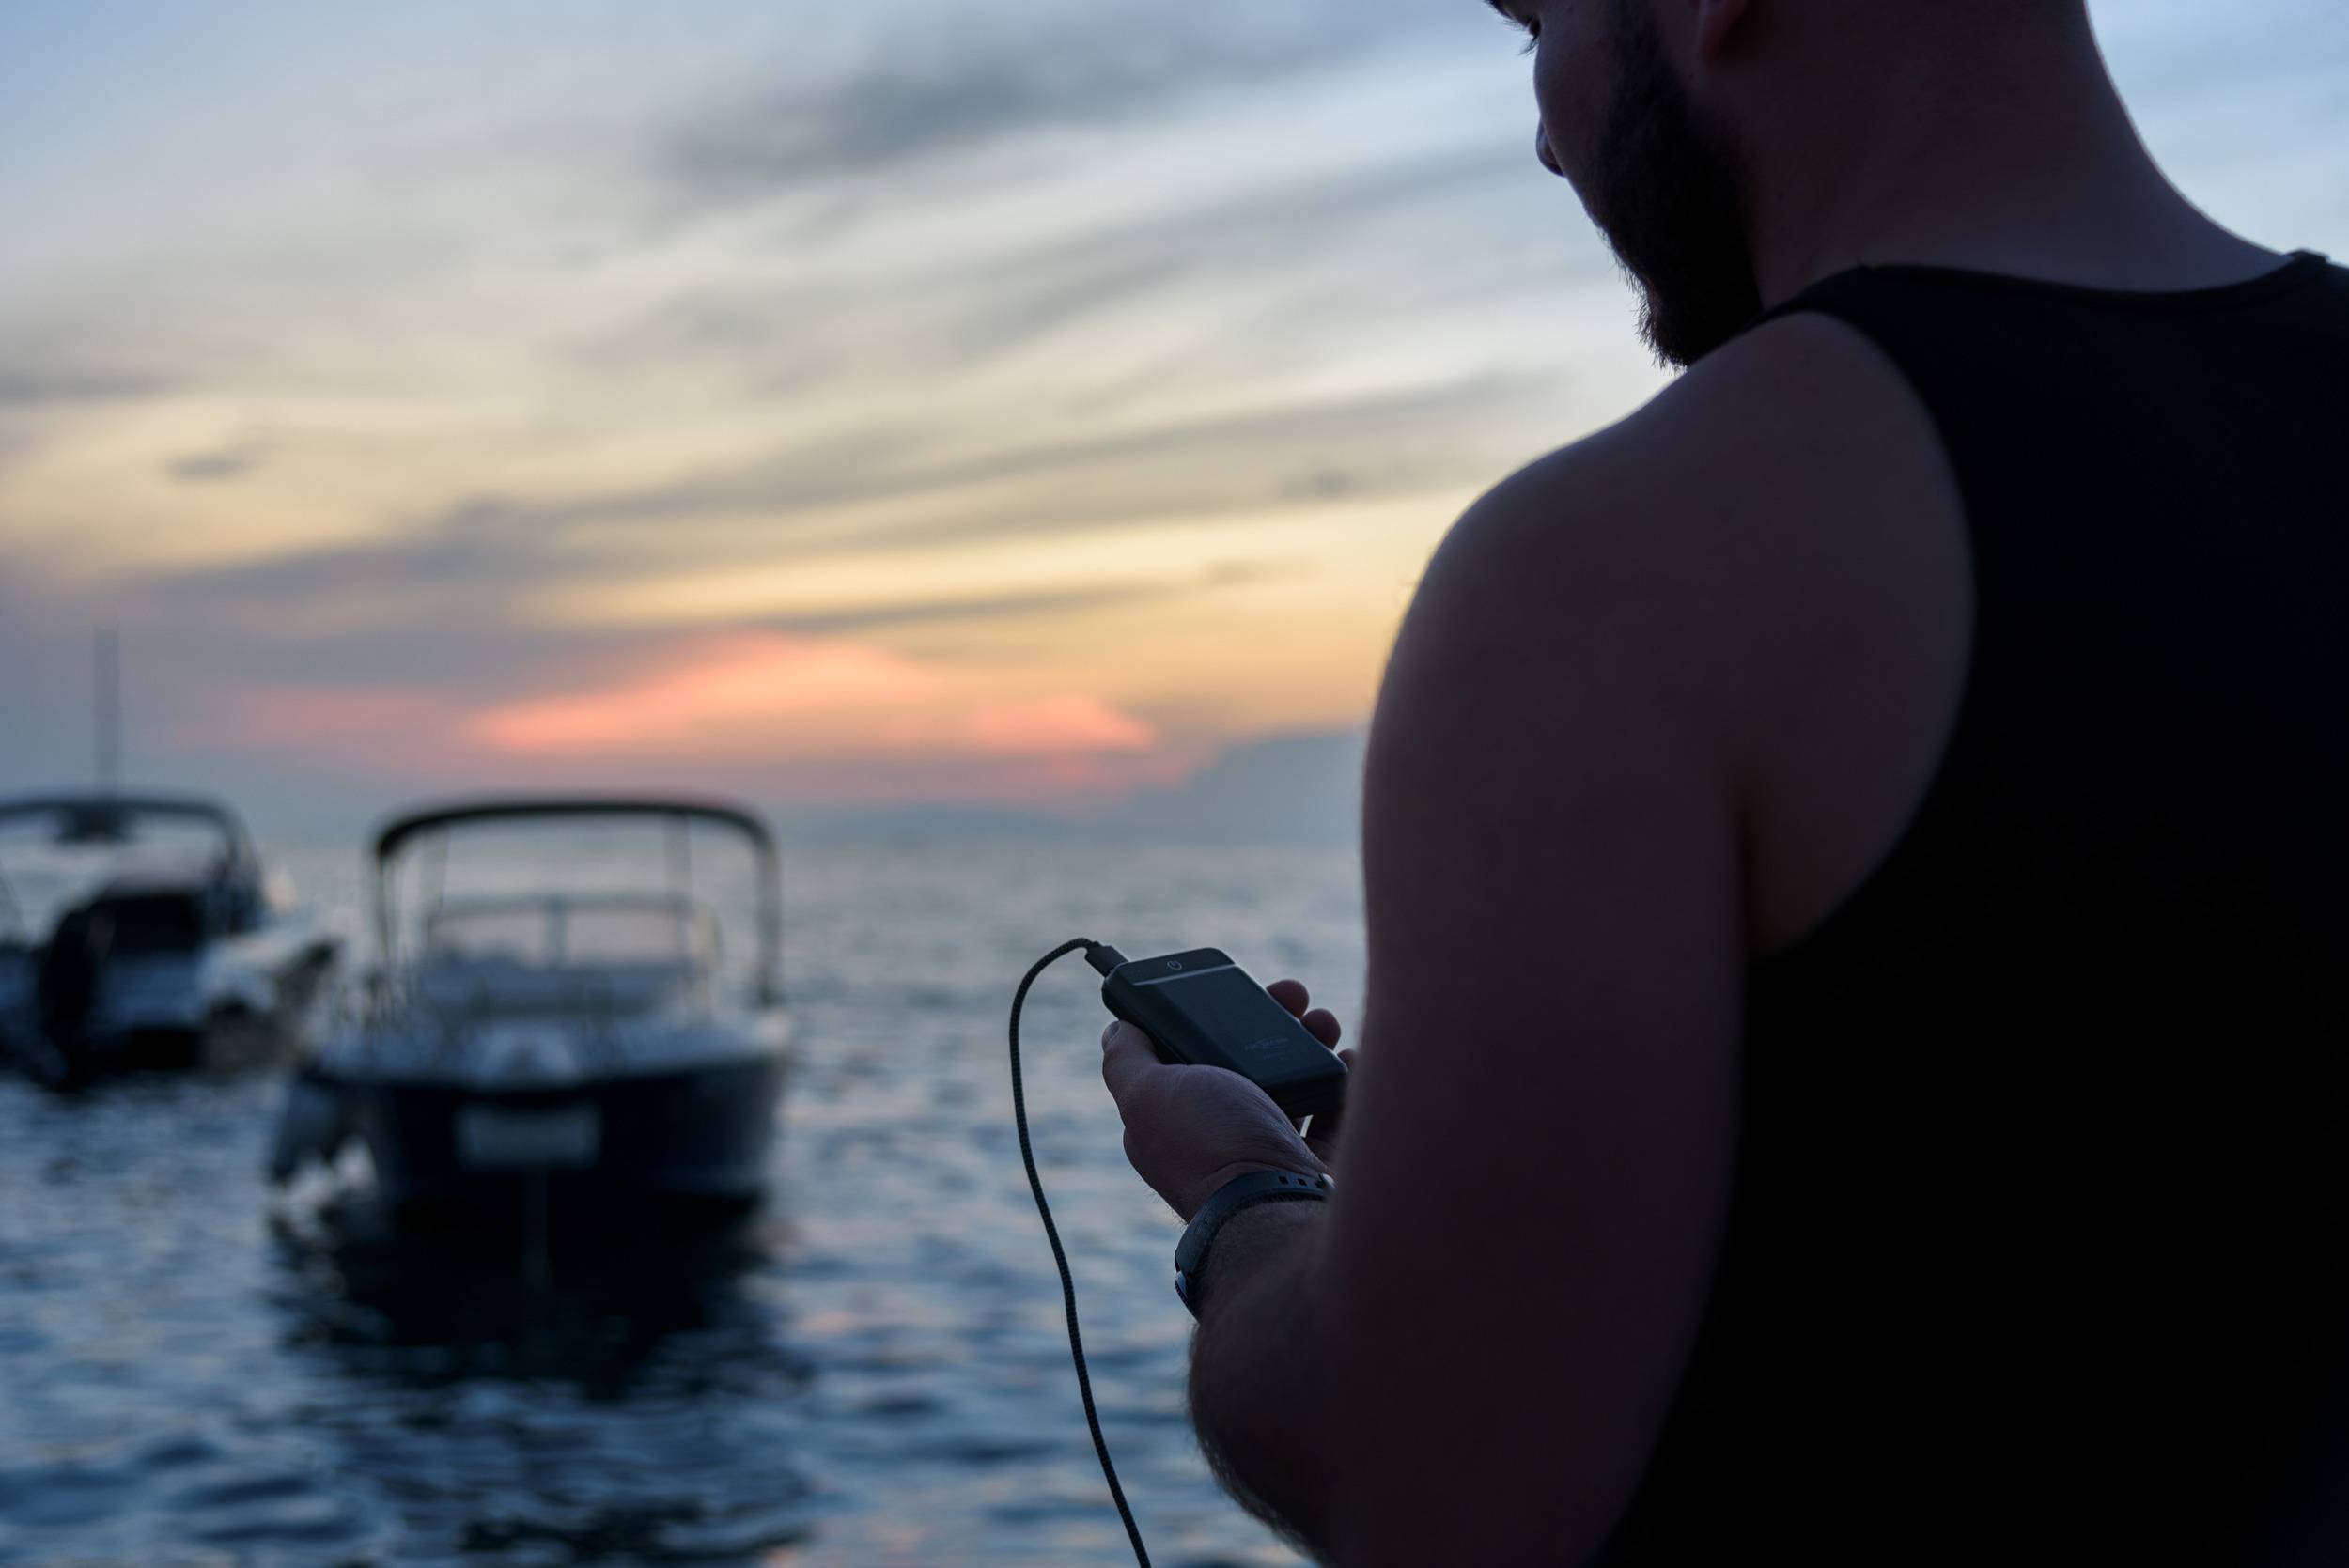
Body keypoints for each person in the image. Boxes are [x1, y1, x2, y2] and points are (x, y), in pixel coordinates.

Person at [1096, 1, 2349, 1561]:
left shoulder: (1624, 570)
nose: (1550, 135)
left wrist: (1245, 1202)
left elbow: (1429, 1486)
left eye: (1538, 19)